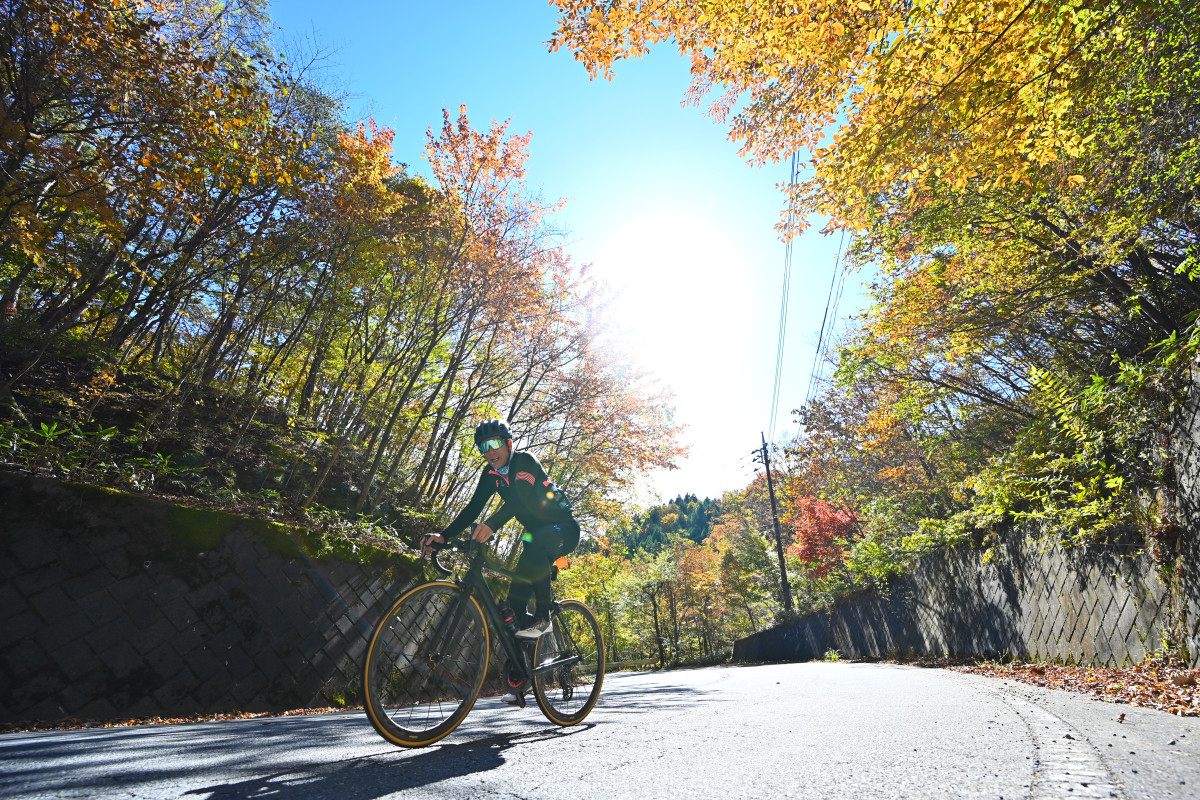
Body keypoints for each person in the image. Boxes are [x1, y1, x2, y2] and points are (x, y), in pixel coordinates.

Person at [421, 418, 579, 643]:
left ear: (508, 444)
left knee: (537, 542)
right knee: (515, 604)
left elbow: (519, 500)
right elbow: (473, 507)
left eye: (494, 443)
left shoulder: (525, 462)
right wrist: (444, 535)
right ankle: (519, 663)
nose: (490, 451)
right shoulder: (490, 475)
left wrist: (492, 524)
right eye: (483, 447)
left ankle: (544, 618)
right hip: (535, 539)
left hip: (564, 529)